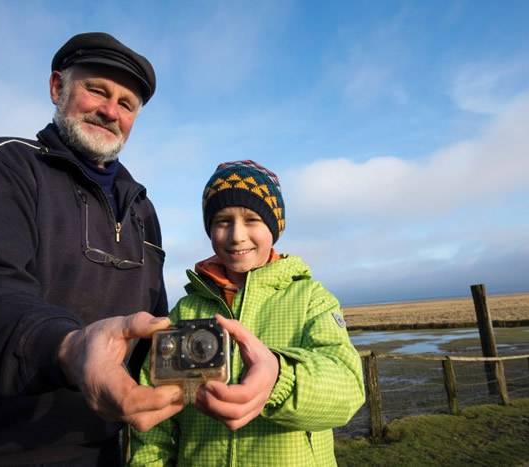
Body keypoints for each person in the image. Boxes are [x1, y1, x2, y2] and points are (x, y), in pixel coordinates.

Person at [0, 32, 184, 466]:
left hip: (96, 452)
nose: (111, 111)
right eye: (97, 90)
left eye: (127, 104)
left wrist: (217, 374)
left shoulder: (142, 211)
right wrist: (69, 347)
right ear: (58, 87)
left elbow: (152, 328)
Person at [129, 160, 365, 466]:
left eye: (252, 219)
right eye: (223, 221)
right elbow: (153, 419)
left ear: (274, 227)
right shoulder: (185, 312)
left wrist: (278, 377)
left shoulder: (312, 300)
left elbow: (347, 389)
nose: (237, 235)